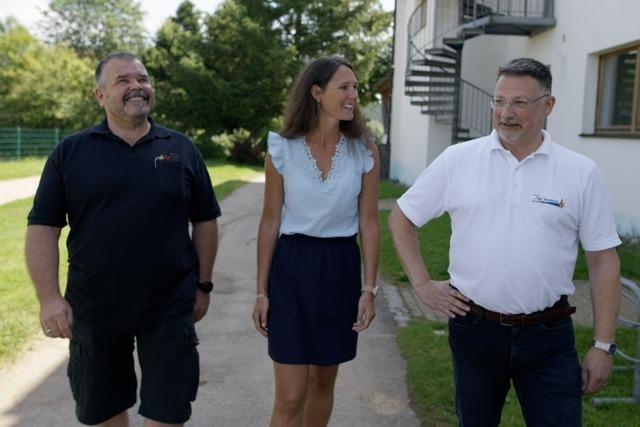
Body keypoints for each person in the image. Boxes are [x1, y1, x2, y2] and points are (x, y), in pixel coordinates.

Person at [389, 58, 621, 426]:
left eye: (520, 103)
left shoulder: (579, 172)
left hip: (549, 335)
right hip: (475, 329)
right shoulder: (459, 160)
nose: (505, 113)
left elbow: (603, 261)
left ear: (548, 105)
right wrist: (420, 283)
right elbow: (401, 218)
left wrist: (603, 345)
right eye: (498, 101)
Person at [25, 51, 220, 427]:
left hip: (169, 305)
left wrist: (203, 284)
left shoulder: (181, 149)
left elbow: (206, 220)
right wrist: (48, 297)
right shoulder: (70, 152)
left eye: (142, 79)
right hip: (95, 307)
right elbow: (43, 226)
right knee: (103, 412)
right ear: (100, 96)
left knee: (168, 410)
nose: (137, 87)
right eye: (123, 81)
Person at [251, 57, 380, 426]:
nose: (353, 95)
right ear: (317, 92)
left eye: (355, 87)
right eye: (344, 87)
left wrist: (369, 289)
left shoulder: (364, 151)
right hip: (291, 269)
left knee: (322, 384)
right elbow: (269, 221)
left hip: (339, 269)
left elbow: (369, 224)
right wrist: (261, 292)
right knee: (291, 396)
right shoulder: (282, 149)